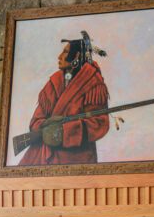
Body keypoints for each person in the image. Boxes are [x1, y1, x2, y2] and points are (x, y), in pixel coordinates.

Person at [18, 32, 110, 166]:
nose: (59, 57)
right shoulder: (54, 82)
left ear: (76, 56)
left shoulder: (93, 83)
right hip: (45, 155)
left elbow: (100, 124)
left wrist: (64, 132)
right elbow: (36, 120)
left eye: (65, 52)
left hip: (77, 158)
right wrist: (45, 125)